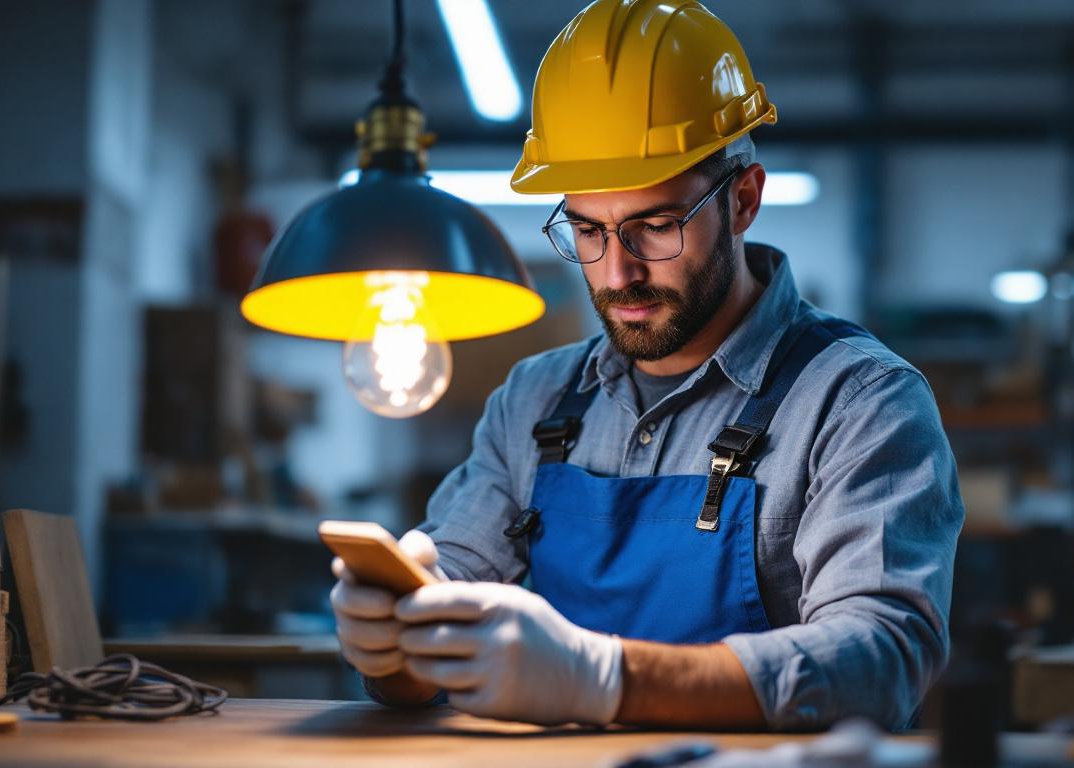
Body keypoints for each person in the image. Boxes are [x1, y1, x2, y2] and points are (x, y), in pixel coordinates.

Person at [330, 0, 963, 732]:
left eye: (656, 226)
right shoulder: (535, 400)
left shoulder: (859, 401)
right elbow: (451, 585)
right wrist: (395, 647)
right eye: (587, 230)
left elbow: (881, 659)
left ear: (745, 199)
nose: (617, 271)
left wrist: (606, 679)